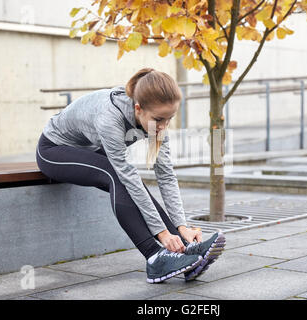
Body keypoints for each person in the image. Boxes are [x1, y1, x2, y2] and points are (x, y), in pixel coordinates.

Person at [36, 67, 226, 283]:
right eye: (158, 119)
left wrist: (181, 227)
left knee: (131, 180)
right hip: (54, 150)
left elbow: (165, 175)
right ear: (138, 109)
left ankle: (184, 249)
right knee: (117, 175)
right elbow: (127, 176)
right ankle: (155, 258)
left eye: (169, 119)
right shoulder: (110, 116)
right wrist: (162, 234)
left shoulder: (156, 119)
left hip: (88, 150)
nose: (163, 126)